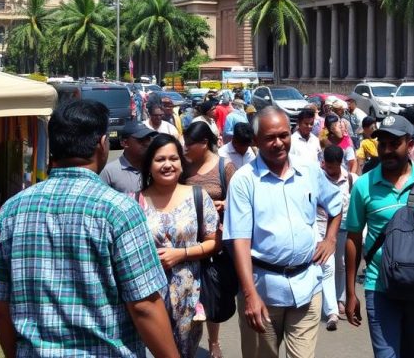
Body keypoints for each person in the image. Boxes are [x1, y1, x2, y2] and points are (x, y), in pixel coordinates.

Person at [0, 99, 179, 358]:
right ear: (102, 144)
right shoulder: (119, 210)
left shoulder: (12, 210)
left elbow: (2, 306)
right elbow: (144, 305)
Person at [223, 106, 342, 358]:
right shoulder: (244, 181)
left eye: (283, 135)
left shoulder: (309, 169)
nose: (278, 143)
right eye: (269, 138)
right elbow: (240, 242)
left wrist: (330, 240)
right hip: (263, 293)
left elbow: (335, 204)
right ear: (256, 141)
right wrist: (250, 295)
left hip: (308, 288)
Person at [344, 114, 414, 358]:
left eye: (393, 143)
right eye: (382, 143)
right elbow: (353, 239)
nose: (386, 150)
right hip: (379, 287)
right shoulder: (363, 186)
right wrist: (350, 291)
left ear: (410, 145)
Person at [137, 134, 220, 358]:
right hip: (148, 299)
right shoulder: (135, 202)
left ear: (181, 164)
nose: (167, 164)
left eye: (173, 158)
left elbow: (214, 242)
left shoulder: (198, 196)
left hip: (190, 298)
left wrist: (181, 254)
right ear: (149, 166)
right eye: (160, 159)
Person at [181, 121, 236, 357]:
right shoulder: (184, 168)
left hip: (216, 242)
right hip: (187, 240)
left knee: (211, 293)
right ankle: (186, 340)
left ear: (204, 144)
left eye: (189, 144)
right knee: (187, 294)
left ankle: (214, 341)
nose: (185, 148)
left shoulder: (225, 167)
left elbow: (238, 202)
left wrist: (224, 204)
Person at [318, 145, 355, 332]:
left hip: (343, 227)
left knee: (341, 264)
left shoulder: (349, 178)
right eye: (327, 166)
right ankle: (331, 309)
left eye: (333, 167)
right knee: (328, 266)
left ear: (340, 163)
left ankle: (340, 300)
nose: (330, 170)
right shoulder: (317, 177)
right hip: (321, 230)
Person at [101, 120, 157, 194]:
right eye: (141, 140)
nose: (147, 143)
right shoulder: (109, 172)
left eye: (148, 139)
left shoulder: (155, 167)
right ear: (124, 143)